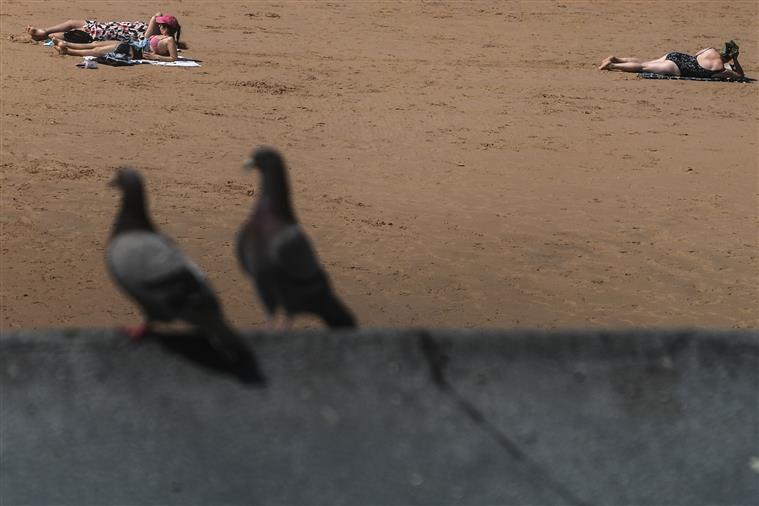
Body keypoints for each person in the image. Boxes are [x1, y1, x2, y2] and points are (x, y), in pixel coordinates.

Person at [52, 14, 183, 62]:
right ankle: (64, 44)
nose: (158, 26)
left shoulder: (170, 40)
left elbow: (174, 58)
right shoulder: (161, 35)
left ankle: (68, 51)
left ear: (166, 28)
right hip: (131, 45)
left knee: (97, 51)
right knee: (95, 44)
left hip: (134, 52)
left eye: (161, 25)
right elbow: (156, 17)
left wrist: (156, 57)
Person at [599, 40, 744, 79]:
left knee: (646, 61)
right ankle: (612, 65)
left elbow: (696, 55)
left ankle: (616, 59)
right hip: (677, 68)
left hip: (677, 56)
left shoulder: (710, 50)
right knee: (643, 67)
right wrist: (736, 60)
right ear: (731, 57)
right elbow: (740, 76)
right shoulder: (721, 68)